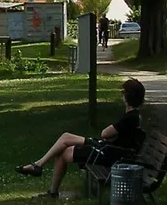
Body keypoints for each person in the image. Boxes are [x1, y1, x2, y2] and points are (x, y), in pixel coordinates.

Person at [15, 77, 145, 198]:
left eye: (123, 92)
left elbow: (105, 133)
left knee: (64, 147)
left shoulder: (130, 117)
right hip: (110, 150)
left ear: (127, 97)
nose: (121, 94)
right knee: (65, 142)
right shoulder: (134, 116)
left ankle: (42, 173)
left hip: (109, 154)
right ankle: (43, 174)